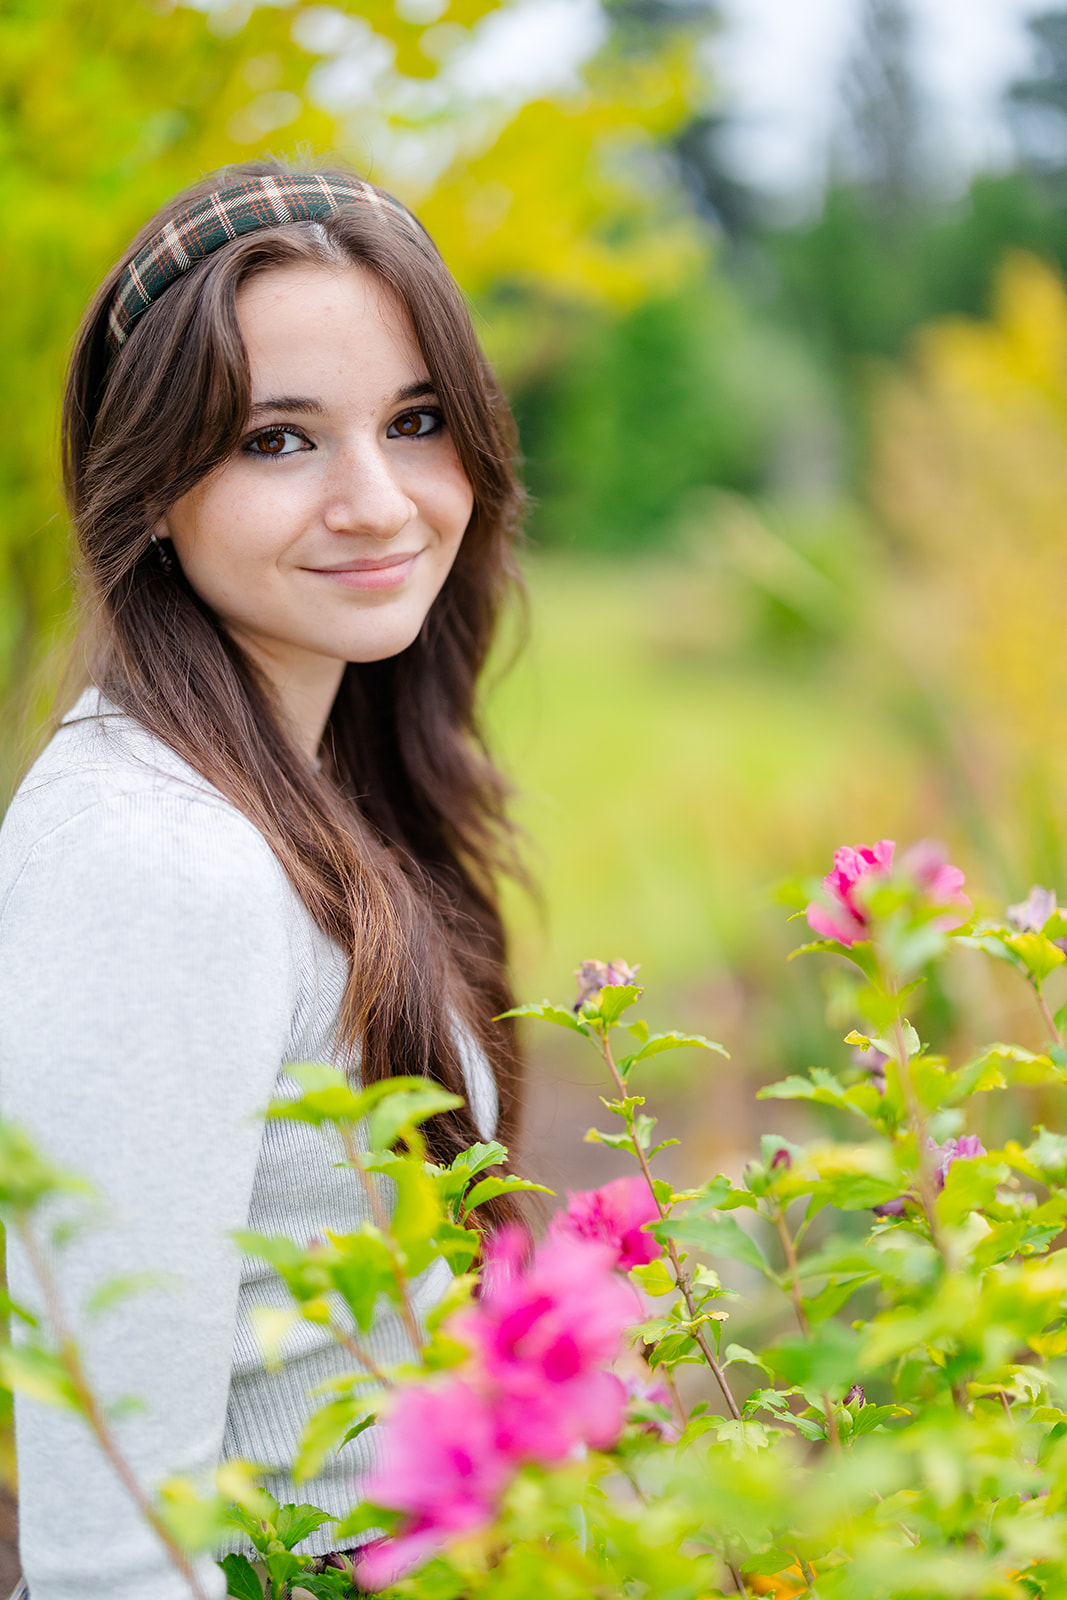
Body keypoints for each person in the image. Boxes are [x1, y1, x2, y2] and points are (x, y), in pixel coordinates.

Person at [0, 159, 527, 1600]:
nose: (378, 501)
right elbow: (115, 1534)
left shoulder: (301, 783)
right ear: (151, 489)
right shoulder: (153, 859)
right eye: (278, 440)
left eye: (416, 422)